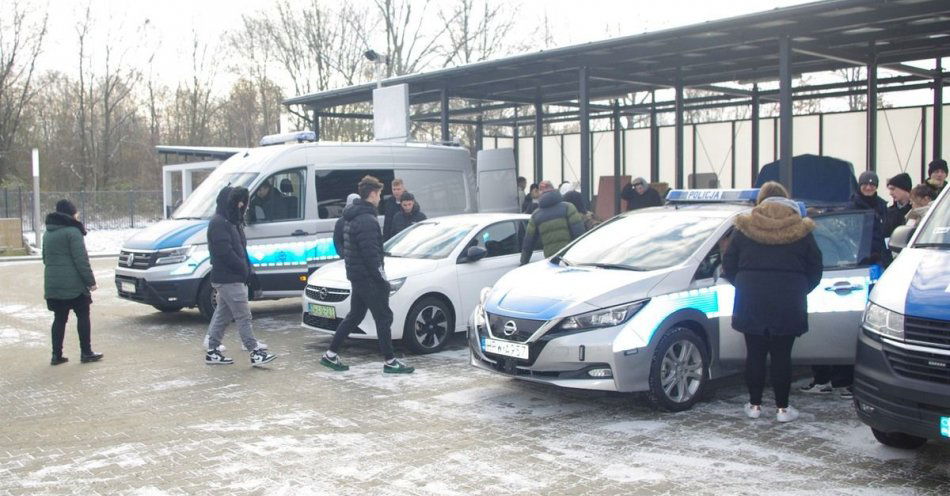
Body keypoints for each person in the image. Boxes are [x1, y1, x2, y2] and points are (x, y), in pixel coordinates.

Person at [722, 182, 823, 422]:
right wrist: (799, 289)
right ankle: (783, 409)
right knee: (782, 355)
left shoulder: (744, 227)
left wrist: (745, 284)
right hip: (788, 300)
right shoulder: (802, 229)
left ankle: (755, 406)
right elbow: (815, 268)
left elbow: (729, 263)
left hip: (751, 298)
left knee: (754, 354)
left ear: (761, 200)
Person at [321, 175, 414, 374]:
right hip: (368, 277)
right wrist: (382, 281)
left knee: (355, 315)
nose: (381, 198)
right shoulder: (367, 220)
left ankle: (330, 354)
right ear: (372, 194)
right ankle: (390, 361)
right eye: (379, 193)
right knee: (383, 317)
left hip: (357, 275)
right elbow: (372, 255)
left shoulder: (351, 216)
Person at [204, 186, 277, 367]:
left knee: (223, 314)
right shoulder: (219, 223)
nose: (242, 205)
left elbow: (240, 250)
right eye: (238, 202)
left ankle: (212, 350)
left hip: (231, 277)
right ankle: (254, 352)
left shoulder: (231, 222)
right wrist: (243, 269)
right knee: (244, 315)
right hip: (229, 278)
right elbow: (225, 252)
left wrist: (247, 270)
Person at [43, 199, 102, 365]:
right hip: (74, 286)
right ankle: (86, 352)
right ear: (71, 213)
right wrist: (90, 282)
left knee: (59, 318)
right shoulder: (72, 232)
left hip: (53, 284)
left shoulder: (48, 232)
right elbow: (81, 260)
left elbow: (45, 259)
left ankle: (56, 355)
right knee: (83, 315)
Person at [520, 180, 586, 265]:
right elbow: (579, 233)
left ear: (540, 193)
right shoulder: (568, 207)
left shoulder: (536, 215)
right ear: (554, 189)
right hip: (570, 258)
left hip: (551, 260)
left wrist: (523, 262)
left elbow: (528, 243)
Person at [850, 171, 888, 265]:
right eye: (865, 184)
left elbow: (886, 230)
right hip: (858, 256)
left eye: (872, 185)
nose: (868, 188)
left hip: (880, 256)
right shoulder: (851, 206)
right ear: (859, 185)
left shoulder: (882, 205)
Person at [883, 172, 912, 238]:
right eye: (890, 189)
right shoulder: (889, 212)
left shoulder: (915, 211)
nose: (890, 193)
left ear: (904, 188)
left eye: (893, 189)